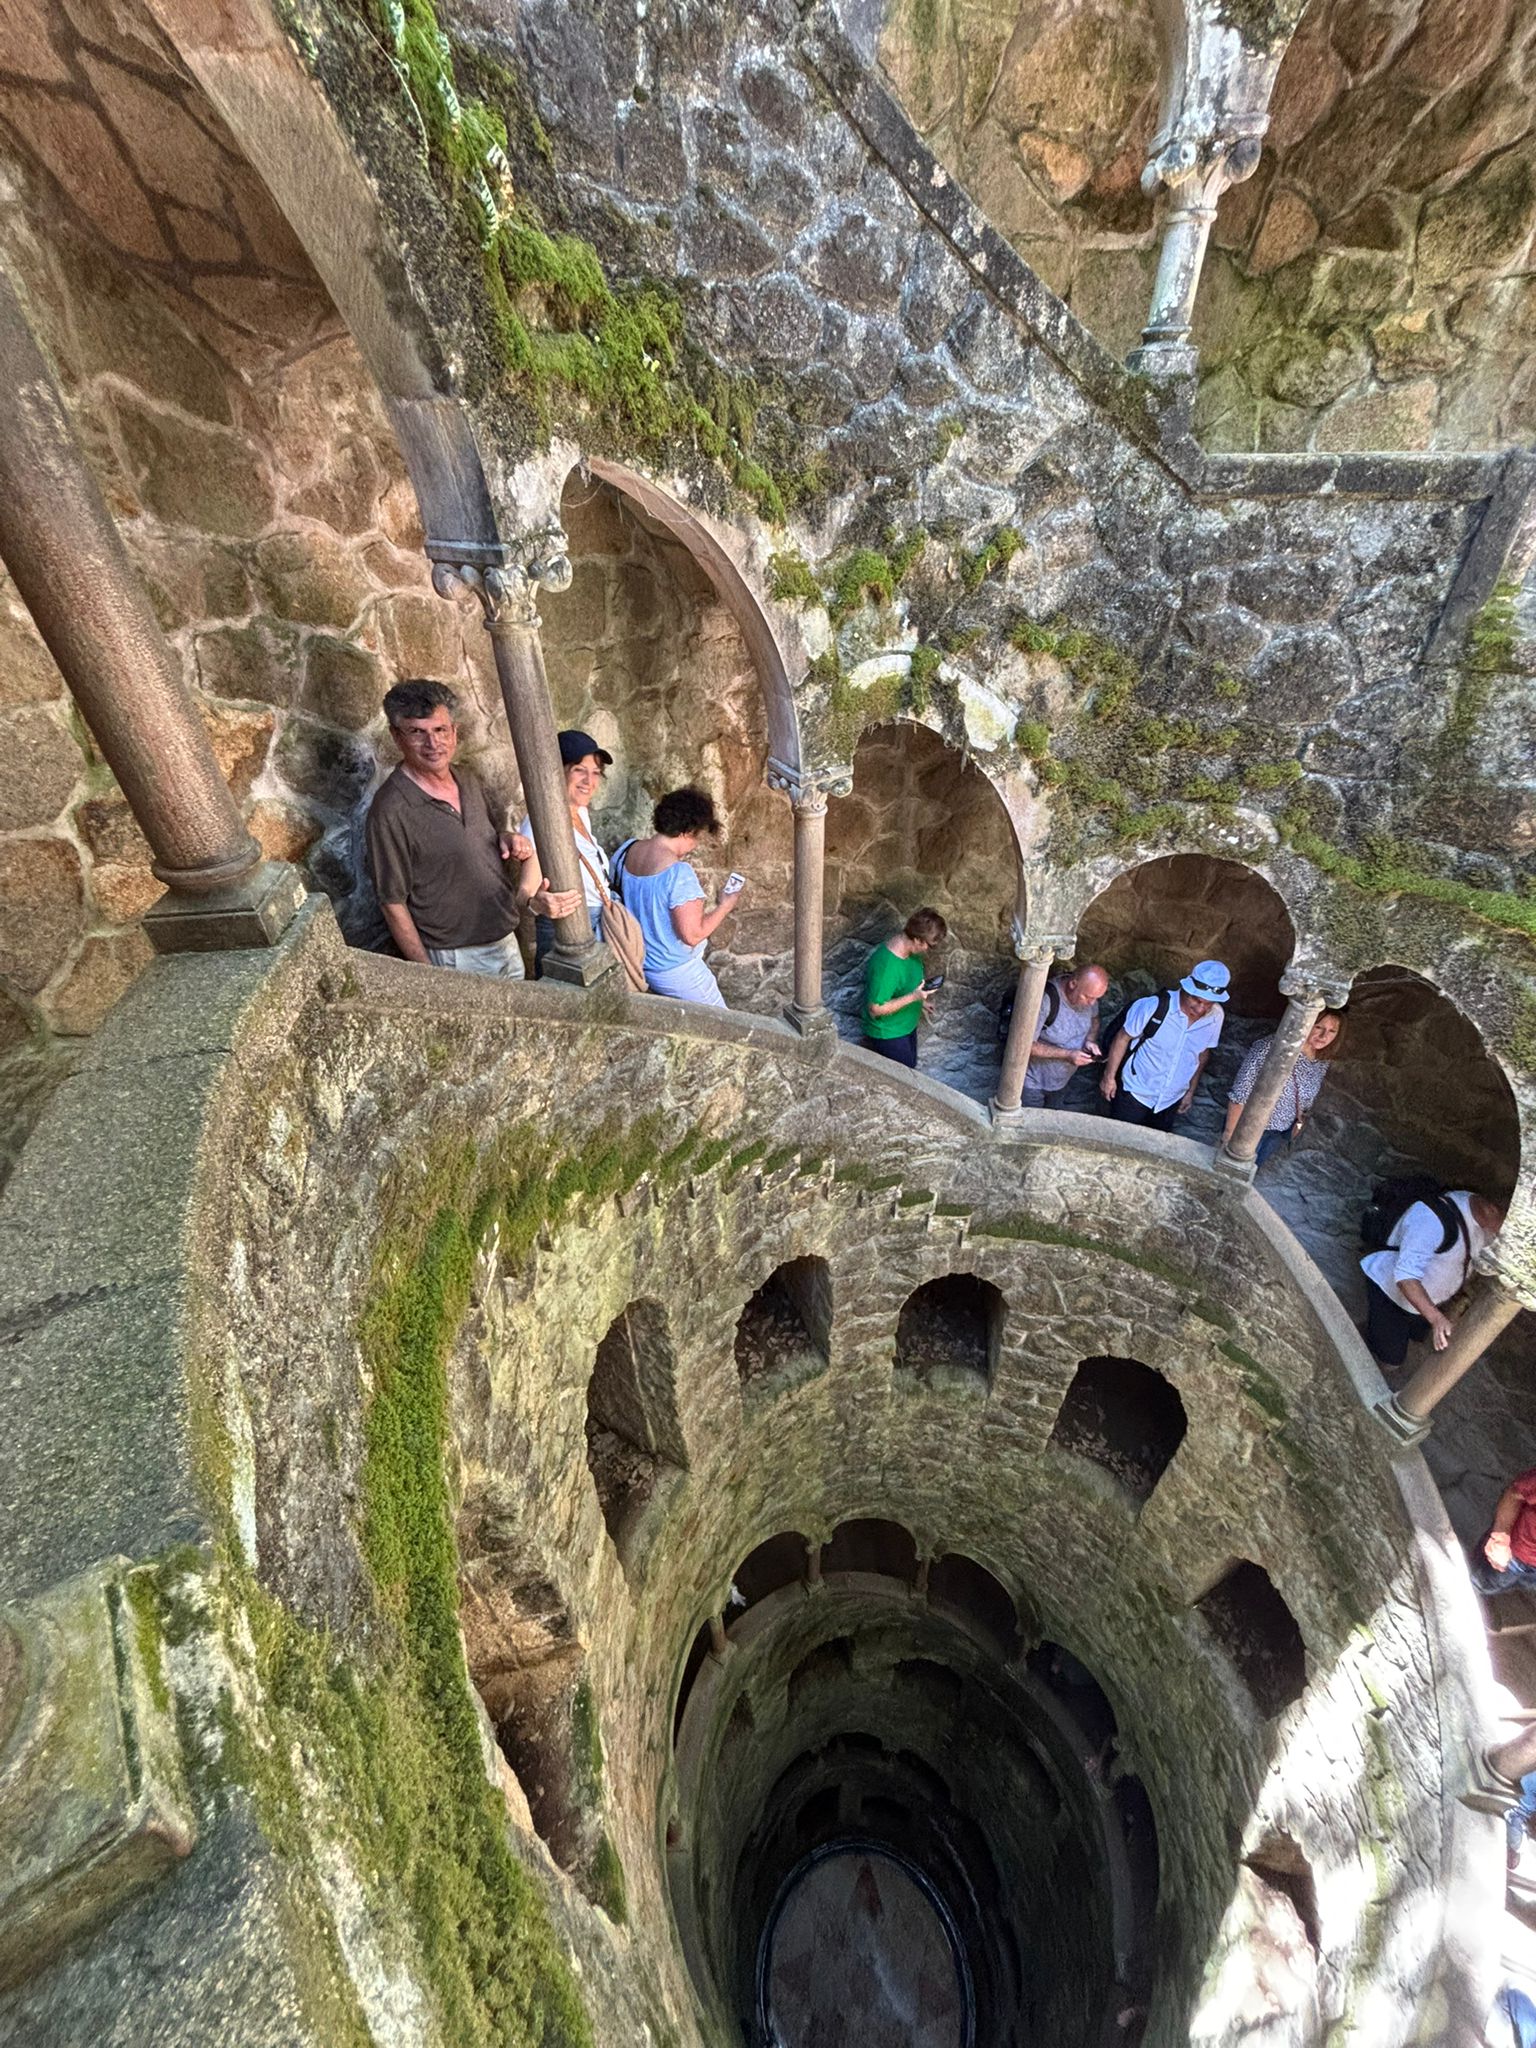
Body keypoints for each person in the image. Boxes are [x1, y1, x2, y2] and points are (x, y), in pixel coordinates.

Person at [365, 679, 576, 977]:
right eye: (416, 732)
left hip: (504, 940)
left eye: (440, 730)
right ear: (397, 737)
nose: (432, 743)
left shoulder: (467, 780)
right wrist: (429, 976)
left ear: (454, 732)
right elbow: (392, 902)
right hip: (456, 958)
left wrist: (506, 839)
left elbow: (475, 837)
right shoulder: (390, 810)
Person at [610, 786, 742, 1006]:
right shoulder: (678, 873)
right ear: (688, 831)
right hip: (677, 970)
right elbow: (692, 934)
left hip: (640, 962)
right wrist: (725, 906)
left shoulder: (627, 851)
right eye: (697, 836)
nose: (696, 844)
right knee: (725, 1030)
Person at [1359, 1187, 1504, 1367]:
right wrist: (1436, 1318)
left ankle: (1382, 1329)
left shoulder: (1484, 1221)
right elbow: (1406, 1277)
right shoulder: (1431, 1219)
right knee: (1391, 1360)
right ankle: (1365, 1334)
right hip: (1389, 1291)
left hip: (1424, 1301)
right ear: (1491, 1209)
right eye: (1510, 1225)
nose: (1509, 1234)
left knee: (1415, 1335)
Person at [518, 729, 614, 975]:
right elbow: (525, 892)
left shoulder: (580, 812)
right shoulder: (541, 820)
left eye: (595, 772)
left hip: (596, 921)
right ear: (557, 771)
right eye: (579, 770)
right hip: (563, 928)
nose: (589, 781)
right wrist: (536, 904)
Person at [1098, 960, 1229, 1130]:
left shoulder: (1216, 1016)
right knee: (1120, 1140)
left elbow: (1201, 1054)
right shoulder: (1153, 1007)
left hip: (1170, 1100)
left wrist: (1190, 1091)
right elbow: (1122, 1038)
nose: (1200, 1009)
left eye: (1208, 1003)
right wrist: (1109, 1079)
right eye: (1196, 1000)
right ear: (1186, 989)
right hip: (1135, 1092)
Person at [1222, 1009, 1344, 1166]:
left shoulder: (1321, 1061)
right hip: (1248, 1129)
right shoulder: (1271, 1048)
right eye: (1318, 1027)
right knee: (1232, 1169)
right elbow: (1239, 1095)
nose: (1324, 1036)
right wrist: (1229, 1135)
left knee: (1252, 1171)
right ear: (1306, 1024)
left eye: (1332, 1031)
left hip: (1278, 1132)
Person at [860, 909, 948, 1068]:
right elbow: (875, 1009)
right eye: (928, 946)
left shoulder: (911, 951)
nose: (928, 950)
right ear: (917, 940)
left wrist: (920, 1002)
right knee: (905, 1072)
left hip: (905, 1023)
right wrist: (914, 998)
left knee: (910, 1065)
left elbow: (903, 987)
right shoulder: (886, 966)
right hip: (888, 1031)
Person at [1021, 964, 1109, 1109]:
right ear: (1073, 984)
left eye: (1096, 998)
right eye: (1088, 997)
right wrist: (1067, 1055)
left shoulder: (1090, 996)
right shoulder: (1046, 1000)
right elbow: (1025, 1044)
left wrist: (1090, 1041)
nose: (1092, 1003)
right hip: (1032, 1081)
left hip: (1062, 1082)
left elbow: (1095, 1019)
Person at [1470, 1469, 1536, 1598]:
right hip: (1512, 1553)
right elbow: (1515, 1493)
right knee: (1482, 1582)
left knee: (1519, 1583)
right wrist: (1500, 1537)